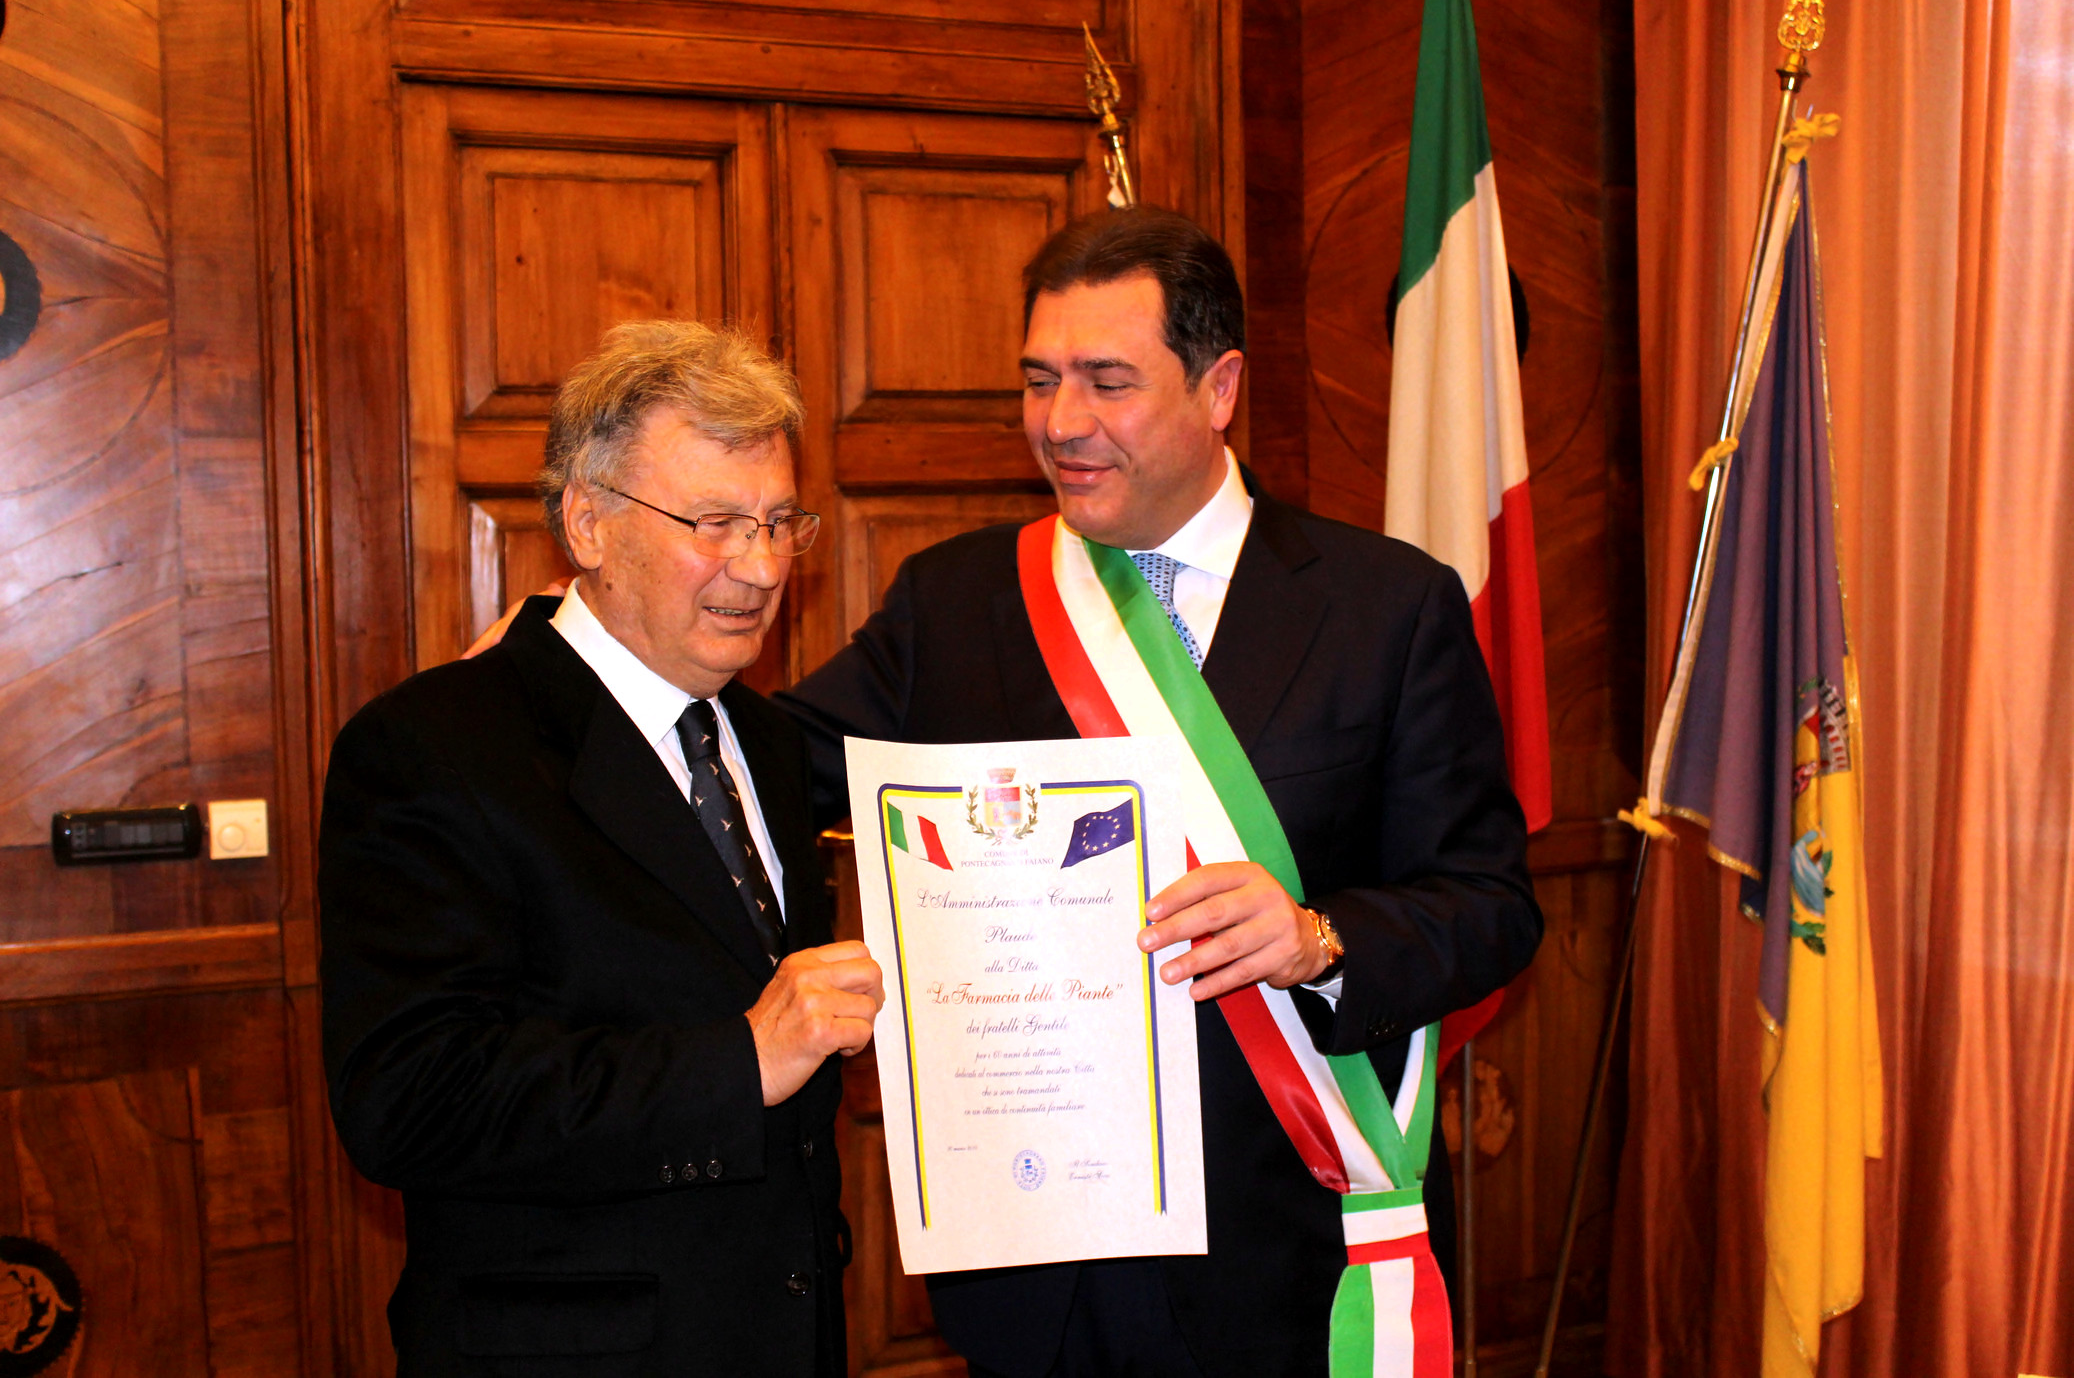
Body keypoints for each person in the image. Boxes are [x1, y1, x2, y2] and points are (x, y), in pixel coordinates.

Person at [774, 207, 1543, 1377]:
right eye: (1039, 380)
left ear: (1218, 386)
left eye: (1107, 381)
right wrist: (588, 668)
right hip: (1039, 1272)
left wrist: (1318, 937)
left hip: (1288, 1250)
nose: (1061, 422)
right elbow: (766, 763)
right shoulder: (956, 600)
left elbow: (1489, 905)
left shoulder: (1384, 606)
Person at [320, 320, 885, 1378]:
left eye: (779, 522)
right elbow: (408, 1101)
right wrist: (740, 1062)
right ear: (588, 522)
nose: (761, 566)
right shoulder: (434, 745)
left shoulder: (762, 738)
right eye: (715, 523)